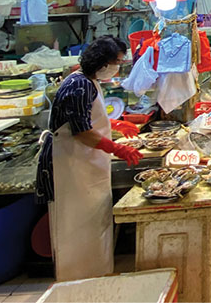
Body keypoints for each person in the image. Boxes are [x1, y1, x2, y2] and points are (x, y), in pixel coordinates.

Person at [41, 36, 142, 281]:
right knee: (76, 224)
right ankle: (77, 278)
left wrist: (117, 124)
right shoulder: (78, 84)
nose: (118, 66)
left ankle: (99, 272)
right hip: (72, 164)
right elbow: (82, 131)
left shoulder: (89, 80)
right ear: (101, 61)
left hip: (88, 161)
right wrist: (118, 149)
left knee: (95, 221)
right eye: (116, 62)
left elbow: (88, 118)